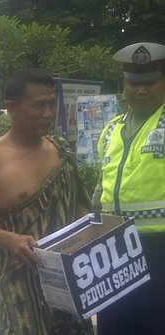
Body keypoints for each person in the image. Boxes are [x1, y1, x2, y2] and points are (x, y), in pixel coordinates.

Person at [0, 68, 93, 334]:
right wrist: (10, 239)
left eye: (52, 104)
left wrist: (88, 237)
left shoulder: (59, 150)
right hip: (18, 287)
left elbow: (77, 205)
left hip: (68, 280)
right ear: (12, 108)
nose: (48, 113)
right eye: (39, 105)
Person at [93, 42, 165, 335]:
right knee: (115, 325)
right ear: (124, 85)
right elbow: (102, 183)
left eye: (150, 82)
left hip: (159, 247)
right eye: (134, 83)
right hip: (116, 249)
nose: (141, 90)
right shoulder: (111, 128)